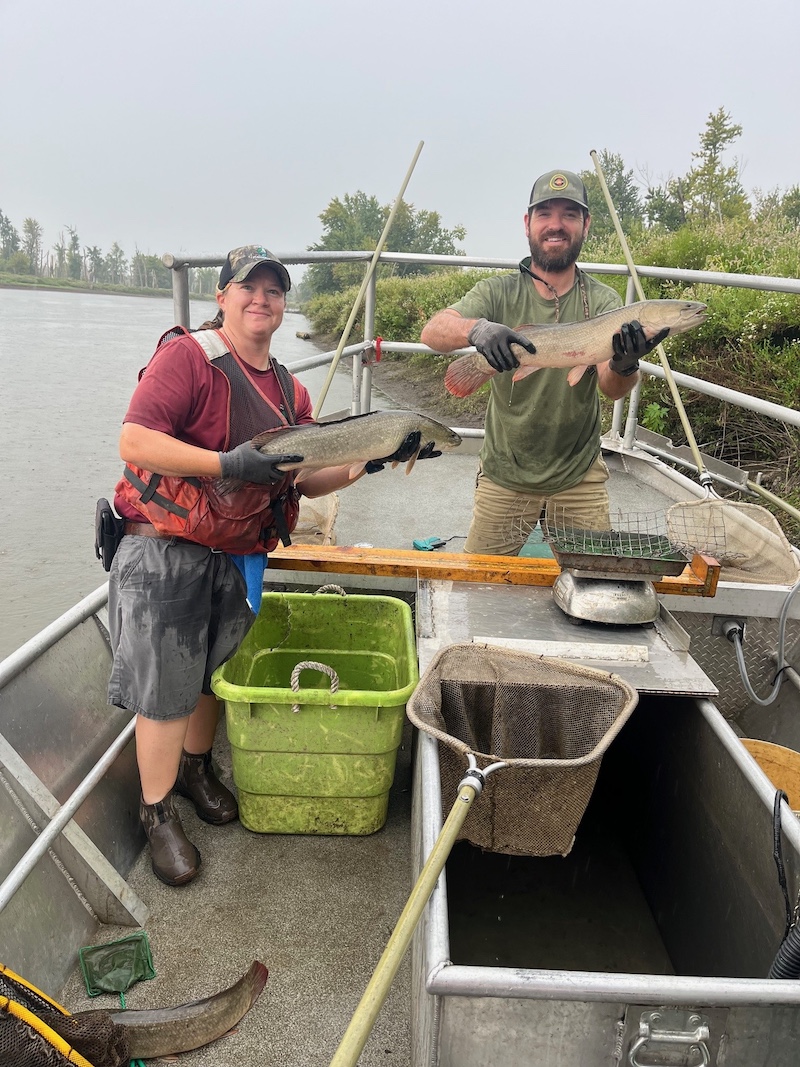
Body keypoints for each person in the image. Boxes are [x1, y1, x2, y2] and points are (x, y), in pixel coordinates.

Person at [107, 245, 436, 887]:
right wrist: (229, 465)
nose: (261, 298)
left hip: (239, 552)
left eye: (274, 290)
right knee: (165, 687)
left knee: (210, 674)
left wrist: (370, 460)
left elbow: (308, 482)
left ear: (285, 305)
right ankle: (156, 812)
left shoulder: (290, 389)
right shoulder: (189, 357)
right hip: (166, 545)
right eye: (247, 287)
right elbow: (134, 440)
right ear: (223, 297)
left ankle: (198, 769)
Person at [420, 170, 667, 556]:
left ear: (585, 225)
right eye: (545, 214)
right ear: (527, 224)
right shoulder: (497, 291)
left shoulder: (603, 301)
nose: (556, 224)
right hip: (506, 472)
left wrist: (625, 364)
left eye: (570, 214)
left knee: (594, 584)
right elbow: (433, 331)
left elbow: (610, 387)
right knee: (479, 587)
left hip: (578, 474)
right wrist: (478, 330)